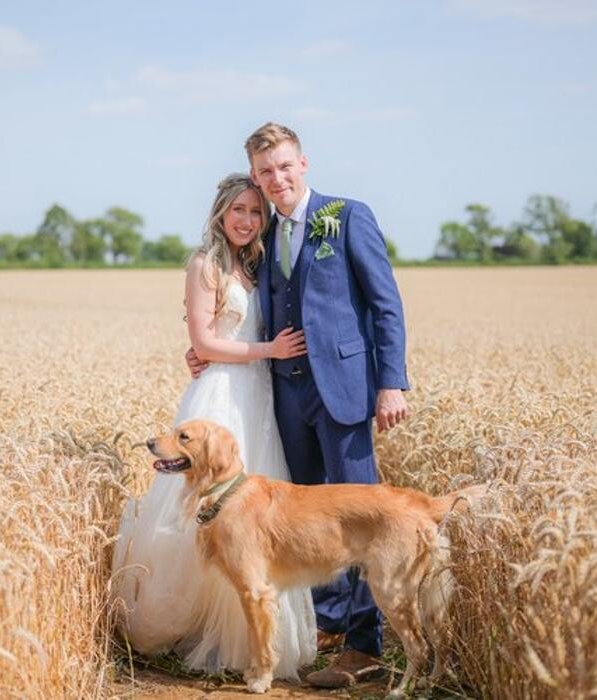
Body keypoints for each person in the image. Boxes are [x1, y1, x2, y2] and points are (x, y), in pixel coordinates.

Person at [186, 123, 409, 689]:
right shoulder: (260, 244)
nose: (276, 178)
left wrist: (392, 383)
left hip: (346, 390)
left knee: (358, 511)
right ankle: (329, 630)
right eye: (265, 172)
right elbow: (233, 304)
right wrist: (202, 349)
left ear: (303, 164)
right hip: (282, 397)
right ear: (257, 179)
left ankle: (366, 647)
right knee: (307, 519)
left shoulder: (346, 215)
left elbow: (386, 304)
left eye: (284, 166)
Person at [112, 174, 317, 680]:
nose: (247, 220)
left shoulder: (255, 265)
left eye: (255, 211)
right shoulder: (205, 265)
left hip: (259, 396)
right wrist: (267, 350)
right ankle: (197, 631)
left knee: (256, 524)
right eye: (238, 210)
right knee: (205, 512)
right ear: (220, 214)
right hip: (222, 395)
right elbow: (204, 344)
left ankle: (252, 642)